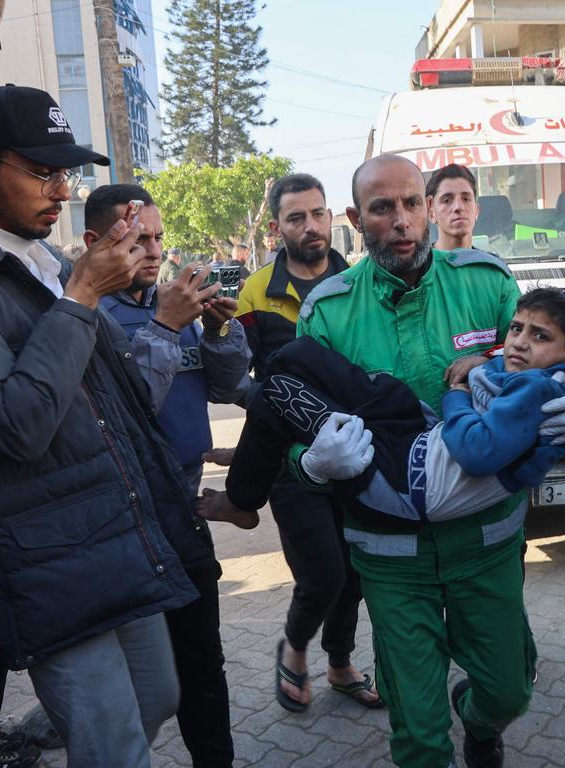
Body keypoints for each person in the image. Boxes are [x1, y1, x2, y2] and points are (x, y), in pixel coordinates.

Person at [0, 84, 205, 768]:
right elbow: (15, 423)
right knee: (117, 747)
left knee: (158, 696)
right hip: (38, 559)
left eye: (65, 173)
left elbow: (115, 401)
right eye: (41, 172)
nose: (62, 192)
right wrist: (83, 297)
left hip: (112, 533)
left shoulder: (52, 264)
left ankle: (32, 747)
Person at [293, 154, 565, 768]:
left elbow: (556, 346)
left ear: (429, 208)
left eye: (410, 204)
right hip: (390, 555)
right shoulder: (328, 310)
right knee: (419, 738)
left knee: (509, 691)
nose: (401, 221)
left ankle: (480, 721)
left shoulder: (485, 282)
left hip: (486, 542)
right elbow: (296, 425)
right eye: (382, 209)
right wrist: (312, 462)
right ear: (357, 218)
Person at [201, 287, 565, 529]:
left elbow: (479, 453)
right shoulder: (549, 375)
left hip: (407, 483)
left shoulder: (541, 390)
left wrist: (457, 396)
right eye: (516, 328)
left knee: (276, 392)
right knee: (303, 356)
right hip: (418, 445)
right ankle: (262, 445)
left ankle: (241, 498)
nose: (518, 342)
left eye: (539, 336)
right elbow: (515, 371)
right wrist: (487, 361)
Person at [89, 184, 251, 768]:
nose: (154, 252)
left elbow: (230, 387)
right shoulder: (89, 317)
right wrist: (163, 324)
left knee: (203, 661)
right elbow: (127, 415)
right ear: (96, 243)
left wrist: (218, 332)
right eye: (138, 239)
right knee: (144, 682)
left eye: (158, 238)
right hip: (124, 523)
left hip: (183, 513)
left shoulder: (176, 306)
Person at [225, 172, 380, 712]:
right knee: (322, 574)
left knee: (356, 571)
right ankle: (294, 647)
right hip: (290, 463)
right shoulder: (253, 293)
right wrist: (263, 404)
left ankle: (340, 664)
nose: (311, 226)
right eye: (297, 217)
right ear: (276, 228)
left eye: (318, 214)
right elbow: (234, 376)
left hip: (355, 452)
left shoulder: (363, 282)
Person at [427, 163, 480, 251]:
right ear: (431, 212)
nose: (458, 207)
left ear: (477, 210)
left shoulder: (491, 264)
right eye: (446, 201)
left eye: (466, 199)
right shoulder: (421, 264)